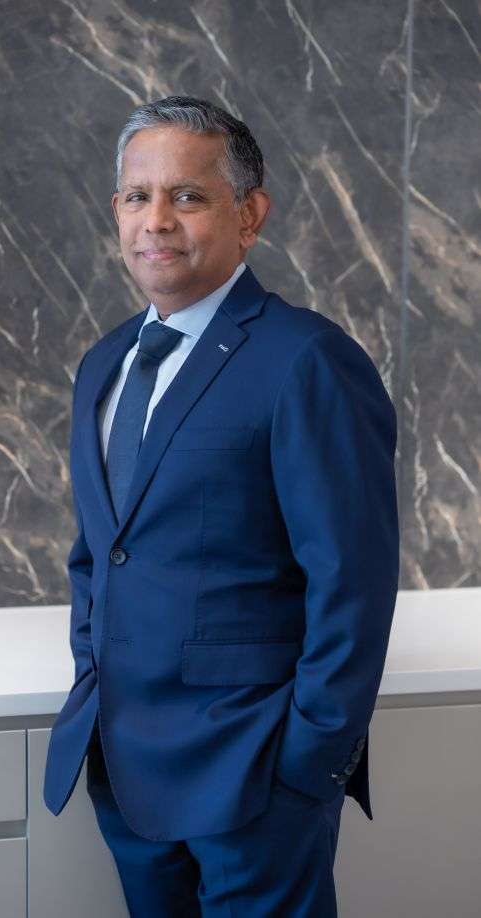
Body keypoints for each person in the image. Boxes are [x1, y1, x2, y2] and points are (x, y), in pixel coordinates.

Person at [43, 95, 400, 916]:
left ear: (249, 214)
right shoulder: (104, 364)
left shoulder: (306, 359)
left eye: (188, 196)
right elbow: (98, 552)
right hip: (123, 761)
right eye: (138, 197)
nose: (156, 221)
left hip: (254, 770)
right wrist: (91, 681)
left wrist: (307, 764)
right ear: (116, 210)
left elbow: (352, 581)